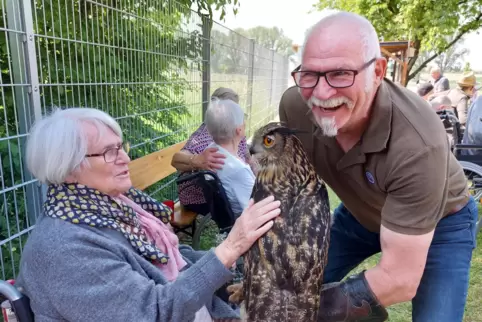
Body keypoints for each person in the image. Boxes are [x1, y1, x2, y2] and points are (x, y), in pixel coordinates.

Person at [280, 10, 477, 322]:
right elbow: (294, 184)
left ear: (378, 71)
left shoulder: (418, 144)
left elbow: (399, 280)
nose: (321, 93)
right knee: (289, 284)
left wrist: (313, 310)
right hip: (361, 213)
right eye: (310, 74)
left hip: (439, 224)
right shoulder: (295, 106)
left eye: (341, 73)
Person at [16, 107, 281, 322]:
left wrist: (237, 263)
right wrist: (230, 247)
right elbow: (154, 314)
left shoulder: (112, 206)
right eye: (109, 152)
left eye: (121, 147)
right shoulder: (65, 251)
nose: (124, 159)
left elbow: (170, 258)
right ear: (69, 167)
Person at [172, 88, 256, 216]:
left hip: (227, 187)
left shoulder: (233, 133)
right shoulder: (206, 136)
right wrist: (197, 160)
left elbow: (246, 155)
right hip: (197, 195)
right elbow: (175, 159)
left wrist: (258, 172)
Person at [204, 98, 255, 217]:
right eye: (243, 120)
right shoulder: (239, 171)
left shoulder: (210, 151)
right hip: (244, 221)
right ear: (239, 130)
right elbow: (256, 210)